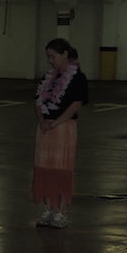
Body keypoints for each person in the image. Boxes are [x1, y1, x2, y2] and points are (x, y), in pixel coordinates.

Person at [33, 38, 88, 228]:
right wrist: (42, 120)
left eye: (53, 56)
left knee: (62, 170)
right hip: (45, 128)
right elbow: (38, 100)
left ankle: (61, 213)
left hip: (63, 128)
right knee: (45, 169)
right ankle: (48, 210)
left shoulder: (77, 78)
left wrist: (55, 122)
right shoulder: (49, 77)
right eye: (48, 57)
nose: (50, 60)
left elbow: (75, 105)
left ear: (65, 54)